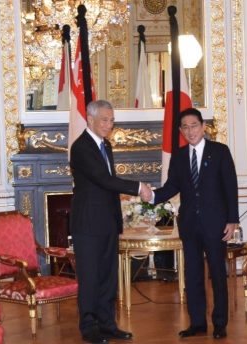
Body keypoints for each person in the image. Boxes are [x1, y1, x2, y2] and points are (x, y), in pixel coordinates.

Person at [149, 107, 239, 339]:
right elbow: (171, 187)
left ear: (203, 127)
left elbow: (230, 187)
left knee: (218, 273)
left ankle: (219, 322)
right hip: (189, 224)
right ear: (180, 131)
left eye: (194, 126)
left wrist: (232, 220)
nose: (190, 131)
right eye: (185, 127)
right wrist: (151, 195)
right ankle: (197, 322)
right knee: (192, 274)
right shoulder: (178, 156)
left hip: (216, 223)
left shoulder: (219, 151)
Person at [69, 100, 152, 344]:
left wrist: (118, 219)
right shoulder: (81, 147)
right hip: (87, 224)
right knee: (90, 278)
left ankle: (107, 324)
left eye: (112, 120)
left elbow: (109, 184)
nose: (109, 124)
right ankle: (89, 327)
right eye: (104, 120)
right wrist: (138, 187)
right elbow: (104, 180)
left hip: (106, 222)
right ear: (90, 119)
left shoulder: (105, 144)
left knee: (108, 277)